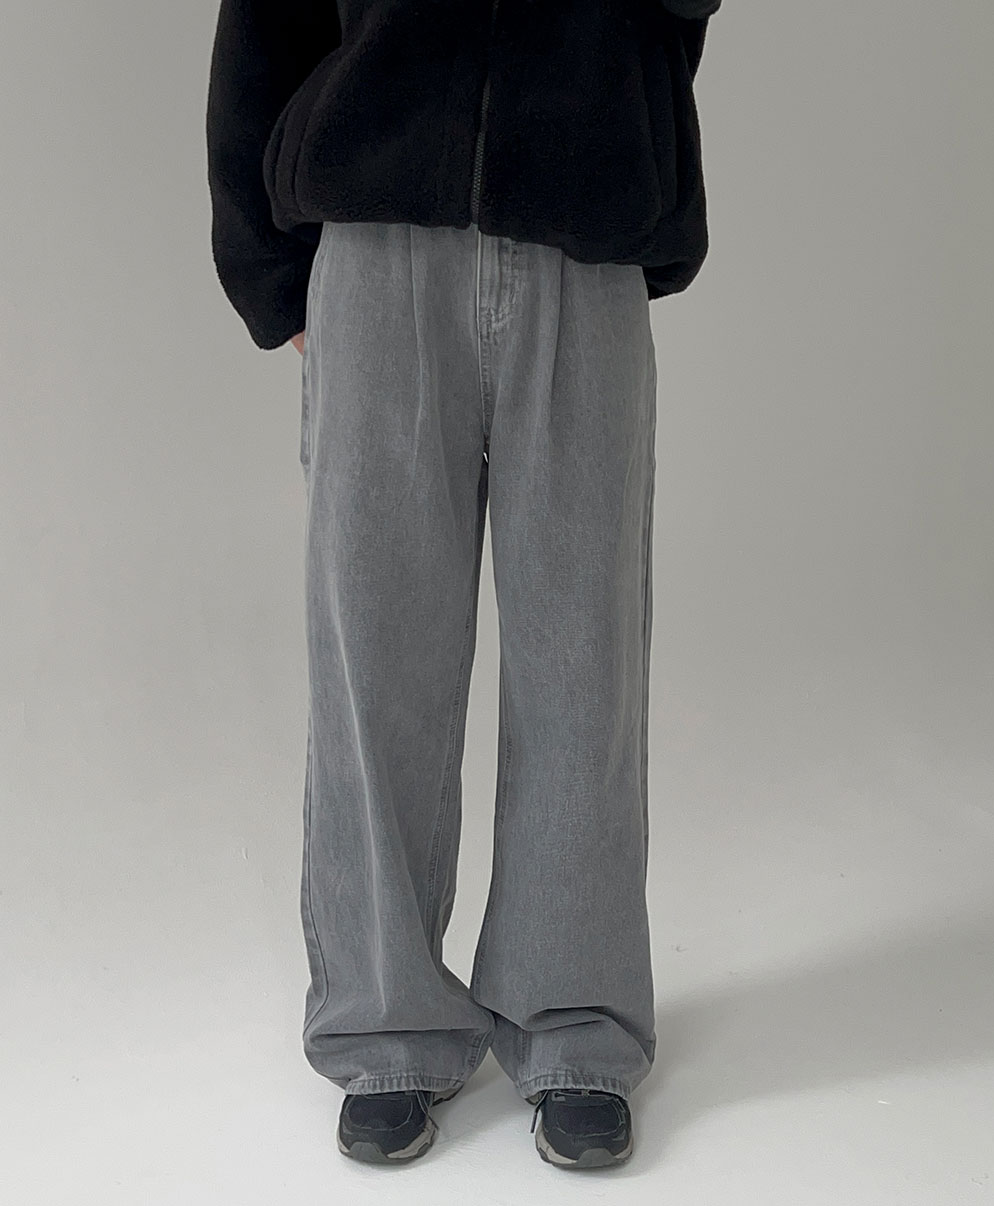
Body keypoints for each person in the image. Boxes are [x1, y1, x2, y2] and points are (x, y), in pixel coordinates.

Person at [206, 0, 721, 1169]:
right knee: (376, 658)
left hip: (584, 242)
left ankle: (575, 1023)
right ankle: (384, 1026)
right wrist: (271, 273)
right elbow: (266, 22)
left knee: (583, 659)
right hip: (375, 238)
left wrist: (632, 158)